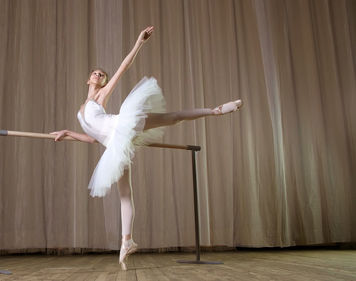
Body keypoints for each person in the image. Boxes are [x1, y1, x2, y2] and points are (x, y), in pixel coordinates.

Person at [50, 26, 242, 270]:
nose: (98, 75)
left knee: (172, 117)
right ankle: (126, 241)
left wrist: (139, 42)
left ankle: (215, 111)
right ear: (88, 79)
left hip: (122, 126)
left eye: (102, 74)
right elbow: (91, 139)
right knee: (125, 195)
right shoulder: (82, 108)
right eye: (95, 73)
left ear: (104, 81)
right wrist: (67, 133)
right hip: (114, 144)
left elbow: (123, 67)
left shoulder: (100, 97)